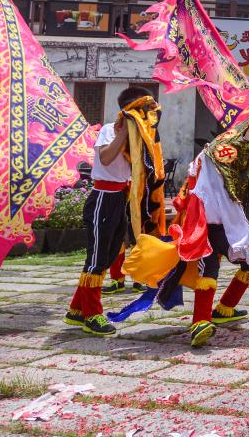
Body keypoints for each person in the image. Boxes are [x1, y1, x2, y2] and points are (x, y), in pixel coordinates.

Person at [64, 86, 154, 337]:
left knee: (110, 254)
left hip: (120, 199)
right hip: (103, 198)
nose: (148, 114)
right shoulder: (109, 130)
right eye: (144, 109)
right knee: (96, 258)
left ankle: (76, 309)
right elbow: (105, 158)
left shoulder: (141, 135)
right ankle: (92, 314)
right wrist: (123, 133)